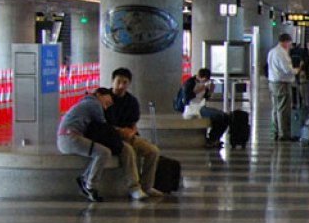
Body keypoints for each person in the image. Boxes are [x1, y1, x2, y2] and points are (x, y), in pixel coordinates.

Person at [56, 87, 148, 202]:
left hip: (66, 138)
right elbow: (105, 129)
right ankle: (89, 184)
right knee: (103, 152)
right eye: (107, 102)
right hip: (70, 138)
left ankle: (86, 181)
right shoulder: (94, 104)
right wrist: (121, 134)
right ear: (99, 95)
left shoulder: (85, 103)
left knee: (102, 151)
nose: (106, 106)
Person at [104, 67, 162, 198]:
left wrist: (131, 132)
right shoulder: (105, 98)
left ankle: (147, 186)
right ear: (112, 81)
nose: (121, 86)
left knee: (153, 151)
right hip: (110, 136)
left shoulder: (131, 101)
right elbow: (103, 123)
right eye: (118, 82)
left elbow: (133, 123)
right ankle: (134, 187)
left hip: (128, 134)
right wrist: (120, 131)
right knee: (129, 152)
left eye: (125, 83)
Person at [176, 67, 230, 147]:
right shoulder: (190, 82)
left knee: (225, 116)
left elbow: (205, 97)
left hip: (201, 105)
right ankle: (212, 138)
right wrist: (199, 90)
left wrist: (210, 91)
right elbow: (186, 99)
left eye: (206, 80)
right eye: (204, 80)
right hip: (193, 108)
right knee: (217, 116)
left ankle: (215, 138)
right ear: (199, 76)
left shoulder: (203, 84)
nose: (204, 82)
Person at [266, 32, 300, 141]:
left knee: (275, 108)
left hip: (273, 82)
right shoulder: (282, 53)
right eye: (289, 43)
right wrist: (297, 70)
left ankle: (275, 132)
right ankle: (284, 133)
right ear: (285, 42)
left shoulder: (272, 51)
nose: (289, 45)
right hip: (282, 83)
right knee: (283, 109)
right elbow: (287, 70)